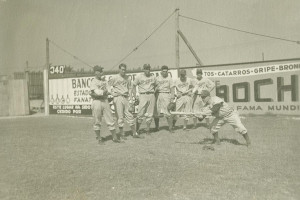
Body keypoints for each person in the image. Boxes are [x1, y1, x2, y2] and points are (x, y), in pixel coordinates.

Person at [89, 65, 123, 144]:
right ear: (96, 72)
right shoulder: (93, 82)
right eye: (100, 71)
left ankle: (114, 138)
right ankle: (99, 139)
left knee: (110, 119)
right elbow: (96, 93)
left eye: (102, 71)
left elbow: (108, 90)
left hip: (105, 100)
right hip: (96, 102)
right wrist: (102, 92)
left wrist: (103, 91)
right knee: (97, 120)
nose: (102, 72)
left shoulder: (104, 81)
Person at [109, 63, 143, 139]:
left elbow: (130, 88)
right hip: (118, 98)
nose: (124, 71)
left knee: (130, 115)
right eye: (122, 69)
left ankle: (134, 133)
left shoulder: (128, 78)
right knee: (120, 116)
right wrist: (112, 93)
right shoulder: (115, 77)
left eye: (125, 69)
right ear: (119, 69)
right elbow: (108, 85)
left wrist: (130, 98)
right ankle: (122, 134)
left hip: (126, 97)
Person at [132, 64, 156, 135]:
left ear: (150, 69)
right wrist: (135, 96)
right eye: (146, 69)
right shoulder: (139, 77)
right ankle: (137, 130)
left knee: (150, 114)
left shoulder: (153, 77)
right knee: (140, 113)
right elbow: (133, 85)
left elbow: (156, 85)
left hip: (151, 94)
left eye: (148, 68)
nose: (147, 70)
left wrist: (154, 91)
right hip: (143, 95)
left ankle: (148, 130)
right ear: (143, 69)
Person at [153, 65, 175, 133]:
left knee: (168, 111)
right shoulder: (157, 78)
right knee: (156, 111)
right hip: (158, 94)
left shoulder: (169, 78)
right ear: (161, 71)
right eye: (163, 71)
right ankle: (156, 127)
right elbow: (153, 87)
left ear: (167, 72)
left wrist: (172, 96)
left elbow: (172, 88)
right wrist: (155, 90)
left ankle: (170, 128)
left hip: (166, 94)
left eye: (166, 71)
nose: (165, 72)